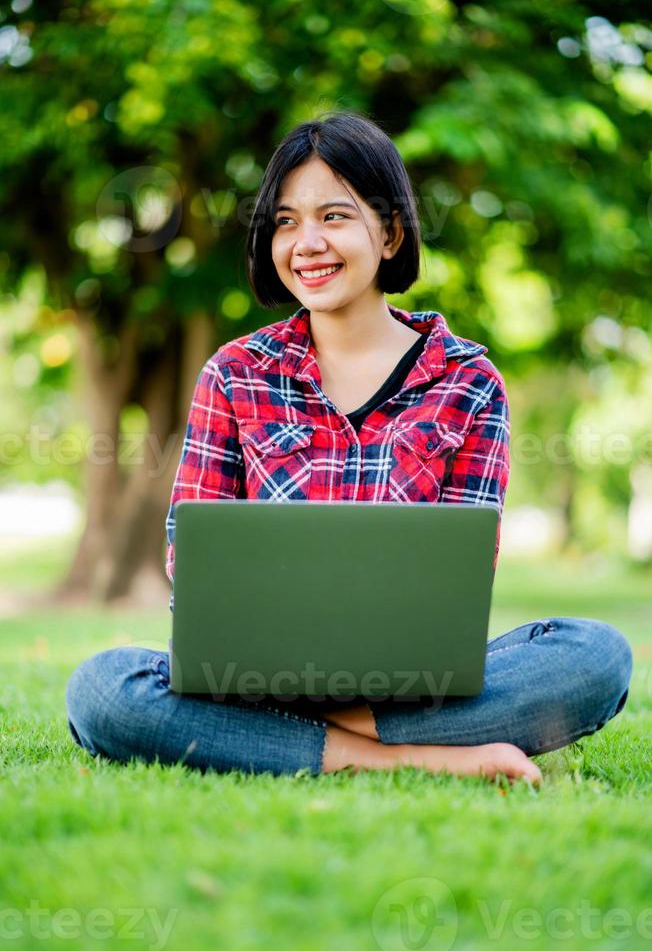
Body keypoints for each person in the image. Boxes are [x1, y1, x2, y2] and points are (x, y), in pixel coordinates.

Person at [66, 111, 633, 786]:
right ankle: (419, 758)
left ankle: (301, 742)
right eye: (285, 221)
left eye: (334, 217)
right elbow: (190, 563)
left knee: (596, 655)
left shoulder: (468, 381)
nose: (306, 243)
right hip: (255, 681)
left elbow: (459, 580)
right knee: (104, 689)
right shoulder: (234, 373)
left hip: (409, 689)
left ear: (391, 232)